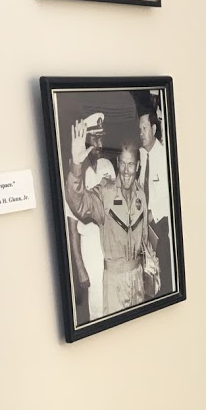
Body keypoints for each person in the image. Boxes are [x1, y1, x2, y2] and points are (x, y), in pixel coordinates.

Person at [65, 121, 159, 313]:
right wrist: (76, 165)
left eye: (130, 164)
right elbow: (79, 204)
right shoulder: (105, 193)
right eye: (122, 163)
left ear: (137, 166)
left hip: (137, 278)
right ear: (117, 163)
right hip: (115, 282)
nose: (126, 170)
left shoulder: (141, 195)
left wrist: (151, 263)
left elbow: (144, 239)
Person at [64, 114, 114, 322]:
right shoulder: (74, 173)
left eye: (102, 138)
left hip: (111, 242)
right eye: (96, 139)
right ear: (85, 140)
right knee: (97, 305)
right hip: (91, 245)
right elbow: (72, 225)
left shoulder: (107, 165)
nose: (100, 144)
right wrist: (79, 267)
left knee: (114, 298)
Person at [138, 108, 173, 297]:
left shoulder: (165, 156)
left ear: (153, 128)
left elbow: (170, 196)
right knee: (149, 277)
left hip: (160, 226)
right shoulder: (142, 156)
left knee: (164, 278)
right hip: (145, 227)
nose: (141, 133)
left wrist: (152, 214)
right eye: (139, 129)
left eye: (144, 128)